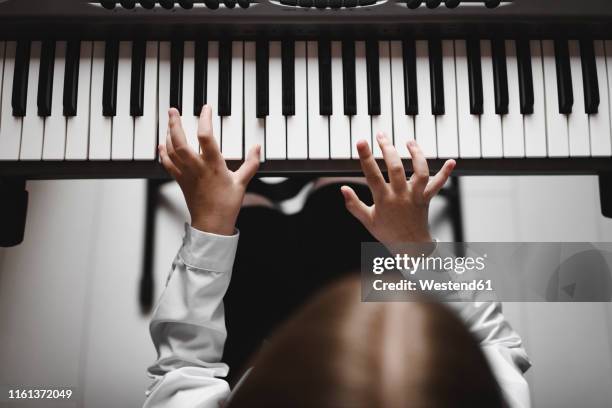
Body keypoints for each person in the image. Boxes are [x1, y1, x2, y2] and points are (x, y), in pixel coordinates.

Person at [143, 106, 531, 407]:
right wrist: (415, 246)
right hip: (343, 281)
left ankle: (256, 188)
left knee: (254, 219)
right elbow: (492, 341)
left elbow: (185, 372)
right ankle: (313, 182)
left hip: (248, 347)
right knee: (339, 198)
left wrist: (211, 224)